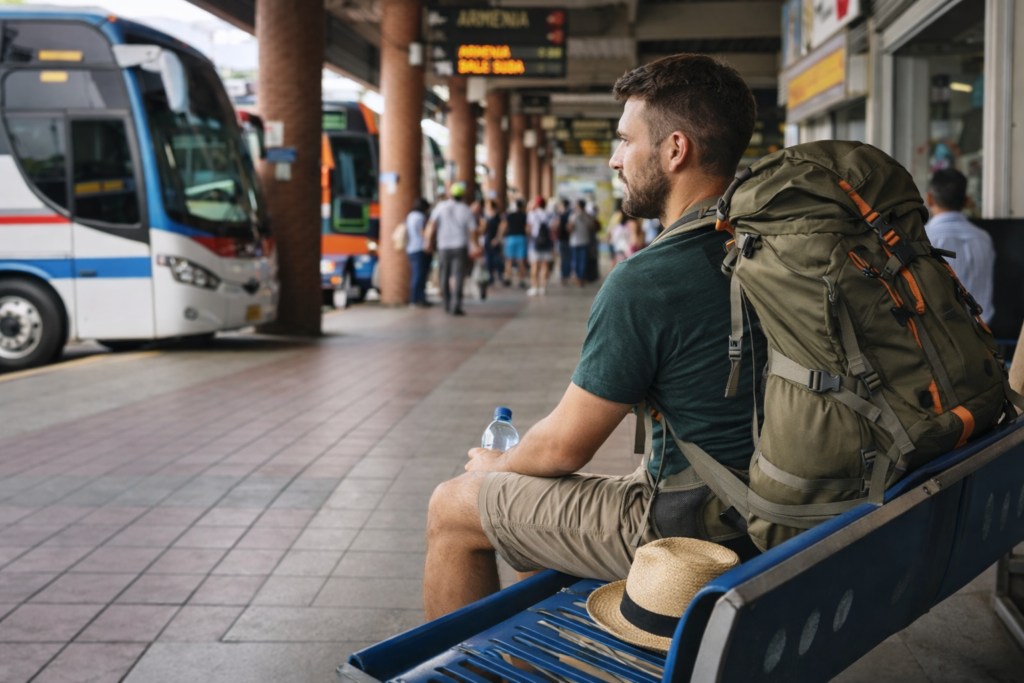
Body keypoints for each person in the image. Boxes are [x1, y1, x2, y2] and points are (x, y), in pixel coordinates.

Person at [423, 53, 761, 619]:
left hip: (696, 527)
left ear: (675, 150)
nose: (614, 159)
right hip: (780, 504)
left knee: (452, 507)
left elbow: (562, 447)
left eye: (626, 140)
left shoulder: (649, 278)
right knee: (532, 506)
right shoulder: (767, 247)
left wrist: (491, 468)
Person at [924, 169, 996, 324]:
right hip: (984, 336)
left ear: (929, 199)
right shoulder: (984, 238)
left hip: (941, 337)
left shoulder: (924, 238)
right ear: (966, 201)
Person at [425, 182, 478, 316]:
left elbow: (431, 226)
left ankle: (446, 303)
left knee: (444, 274)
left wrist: (427, 243)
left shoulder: (441, 207)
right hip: (460, 246)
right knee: (459, 276)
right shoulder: (466, 209)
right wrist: (476, 246)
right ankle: (456, 305)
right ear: (463, 195)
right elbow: (472, 231)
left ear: (450, 194)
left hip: (443, 246)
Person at [405, 198, 432, 307]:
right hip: (420, 248)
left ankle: (418, 299)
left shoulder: (410, 215)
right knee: (419, 275)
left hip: (411, 249)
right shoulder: (420, 217)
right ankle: (416, 299)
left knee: (417, 274)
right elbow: (423, 233)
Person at [526, 197, 555, 296]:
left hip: (535, 242)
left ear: (537, 204)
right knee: (545, 265)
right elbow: (553, 228)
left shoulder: (532, 214)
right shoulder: (550, 214)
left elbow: (529, 228)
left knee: (534, 265)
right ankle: (544, 287)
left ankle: (535, 287)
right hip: (547, 242)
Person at [499, 200, 529, 287]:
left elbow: (504, 226)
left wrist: (500, 236)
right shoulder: (524, 216)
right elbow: (527, 228)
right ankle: (521, 280)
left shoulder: (510, 215)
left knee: (509, 260)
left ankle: (507, 278)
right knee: (521, 260)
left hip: (511, 238)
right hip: (521, 238)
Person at [568, 199, 595, 286]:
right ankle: (582, 278)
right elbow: (592, 227)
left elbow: (570, 228)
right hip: (585, 240)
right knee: (583, 261)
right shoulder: (588, 216)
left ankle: (578, 278)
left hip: (575, 241)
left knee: (575, 261)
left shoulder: (574, 215)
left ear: (578, 205)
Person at [481, 200, 504, 285]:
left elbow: (500, 227)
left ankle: (500, 274)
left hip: (494, 238)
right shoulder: (485, 214)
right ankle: (490, 276)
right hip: (487, 237)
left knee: (496, 258)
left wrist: (497, 238)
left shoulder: (496, 215)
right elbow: (483, 228)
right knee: (488, 258)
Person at [556, 199, 573, 286]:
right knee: (569, 258)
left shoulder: (561, 215)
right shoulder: (571, 214)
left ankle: (564, 276)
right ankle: (567, 275)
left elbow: (557, 226)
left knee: (563, 259)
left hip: (563, 239)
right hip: (570, 239)